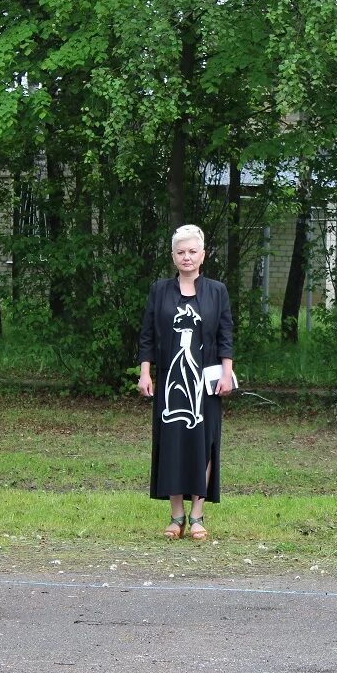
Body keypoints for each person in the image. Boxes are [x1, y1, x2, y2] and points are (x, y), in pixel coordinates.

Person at [137, 224, 235, 541]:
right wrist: (145, 372)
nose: (187, 257)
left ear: (203, 255)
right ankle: (176, 515)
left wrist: (226, 371)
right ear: (173, 256)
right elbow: (148, 335)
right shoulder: (160, 290)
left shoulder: (217, 291)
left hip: (205, 383)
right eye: (181, 252)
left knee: (203, 445)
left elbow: (225, 336)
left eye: (193, 251)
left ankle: (197, 516)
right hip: (170, 380)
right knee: (173, 444)